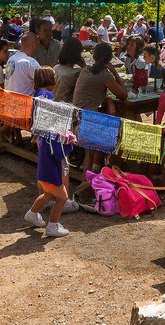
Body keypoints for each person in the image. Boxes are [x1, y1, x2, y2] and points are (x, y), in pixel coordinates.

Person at [26, 68, 78, 238]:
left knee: (48, 194)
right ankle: (52, 226)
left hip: (44, 167)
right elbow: (59, 153)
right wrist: (69, 143)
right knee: (62, 198)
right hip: (50, 169)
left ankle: (32, 214)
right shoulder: (47, 96)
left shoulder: (37, 94)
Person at [73, 41, 128, 112]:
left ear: (94, 56)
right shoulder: (105, 76)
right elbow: (124, 96)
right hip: (88, 116)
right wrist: (115, 73)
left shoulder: (85, 70)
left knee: (108, 102)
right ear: (110, 58)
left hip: (77, 113)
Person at [53, 37, 83, 103]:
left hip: (53, 102)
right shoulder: (75, 75)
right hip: (66, 106)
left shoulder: (56, 67)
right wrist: (84, 66)